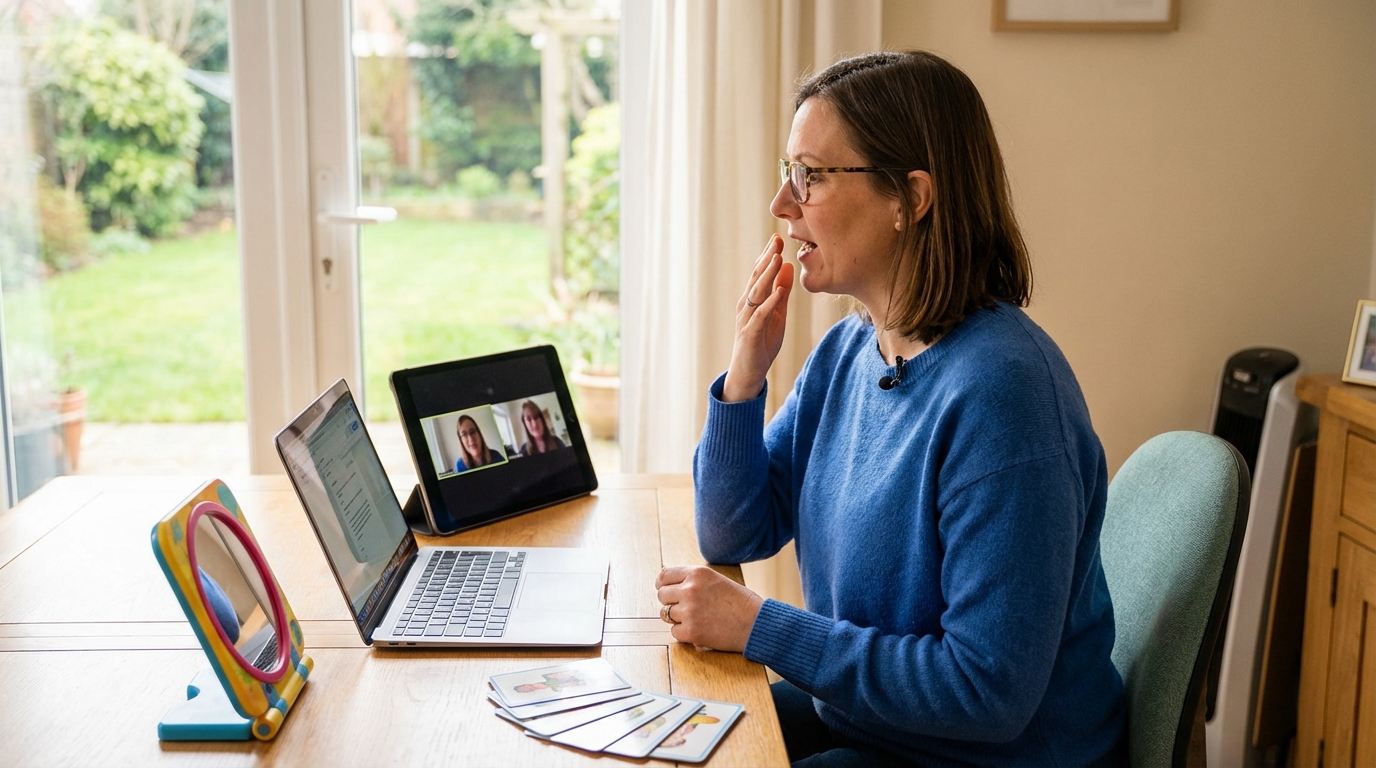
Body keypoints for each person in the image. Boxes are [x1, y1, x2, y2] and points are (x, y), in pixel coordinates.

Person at [653, 51, 1125, 767]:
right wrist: (745, 375)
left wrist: (761, 627)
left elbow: (986, 692)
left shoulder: (1005, 396)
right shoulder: (850, 351)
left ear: (911, 197)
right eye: (790, 173)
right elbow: (732, 531)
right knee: (669, 738)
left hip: (991, 755)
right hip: (875, 722)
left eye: (810, 176)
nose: (783, 205)